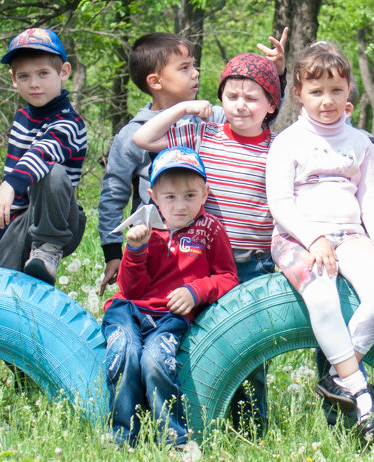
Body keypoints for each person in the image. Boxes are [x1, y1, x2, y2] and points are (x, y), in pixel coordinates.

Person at [132, 52, 283, 433]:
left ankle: (250, 427)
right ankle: (193, 419)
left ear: (271, 105)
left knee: (248, 346)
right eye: (231, 96)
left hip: (254, 263)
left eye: (252, 98)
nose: (240, 105)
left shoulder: (279, 148)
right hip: (201, 261)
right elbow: (142, 137)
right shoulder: (202, 134)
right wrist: (183, 106)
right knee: (192, 339)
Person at [265, 41, 374, 440]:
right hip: (296, 237)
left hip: (351, 235)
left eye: (336, 90)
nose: (327, 100)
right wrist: (314, 238)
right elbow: (280, 203)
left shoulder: (361, 143)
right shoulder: (287, 142)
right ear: (300, 94)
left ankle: (339, 375)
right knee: (322, 293)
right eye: (317, 91)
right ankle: (358, 387)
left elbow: (372, 199)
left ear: (349, 92)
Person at [96, 29, 287, 295]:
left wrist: (276, 74)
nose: (196, 72)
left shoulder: (210, 120)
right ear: (156, 81)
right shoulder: (131, 133)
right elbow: (113, 193)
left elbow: (259, 114)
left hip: (207, 243)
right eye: (185, 68)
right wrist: (112, 249)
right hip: (158, 240)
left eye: (193, 65)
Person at [102, 147, 238, 452]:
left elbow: (228, 277)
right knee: (123, 352)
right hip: (129, 311)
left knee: (155, 361)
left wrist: (196, 291)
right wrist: (135, 251)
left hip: (170, 318)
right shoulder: (145, 229)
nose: (180, 206)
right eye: (170, 197)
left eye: (190, 195)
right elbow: (131, 289)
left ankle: (175, 440)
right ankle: (121, 437)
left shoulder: (210, 230)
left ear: (205, 193)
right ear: (153, 195)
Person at [0, 27, 87, 285]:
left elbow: (42, 153)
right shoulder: (22, 117)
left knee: (49, 170)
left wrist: (10, 184)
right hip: (22, 222)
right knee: (8, 285)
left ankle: (47, 250)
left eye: (43, 73)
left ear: (64, 71)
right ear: (13, 78)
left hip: (60, 223)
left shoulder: (69, 122)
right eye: (24, 76)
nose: (34, 83)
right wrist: (5, 236)